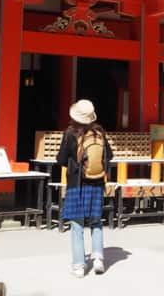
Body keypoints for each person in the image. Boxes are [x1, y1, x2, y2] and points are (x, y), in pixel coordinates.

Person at [56, 99, 113, 277]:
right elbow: (109, 155)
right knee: (96, 222)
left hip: (77, 184)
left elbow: (61, 160)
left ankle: (79, 266)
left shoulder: (70, 133)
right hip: (97, 183)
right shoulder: (99, 133)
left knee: (77, 224)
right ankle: (98, 259)